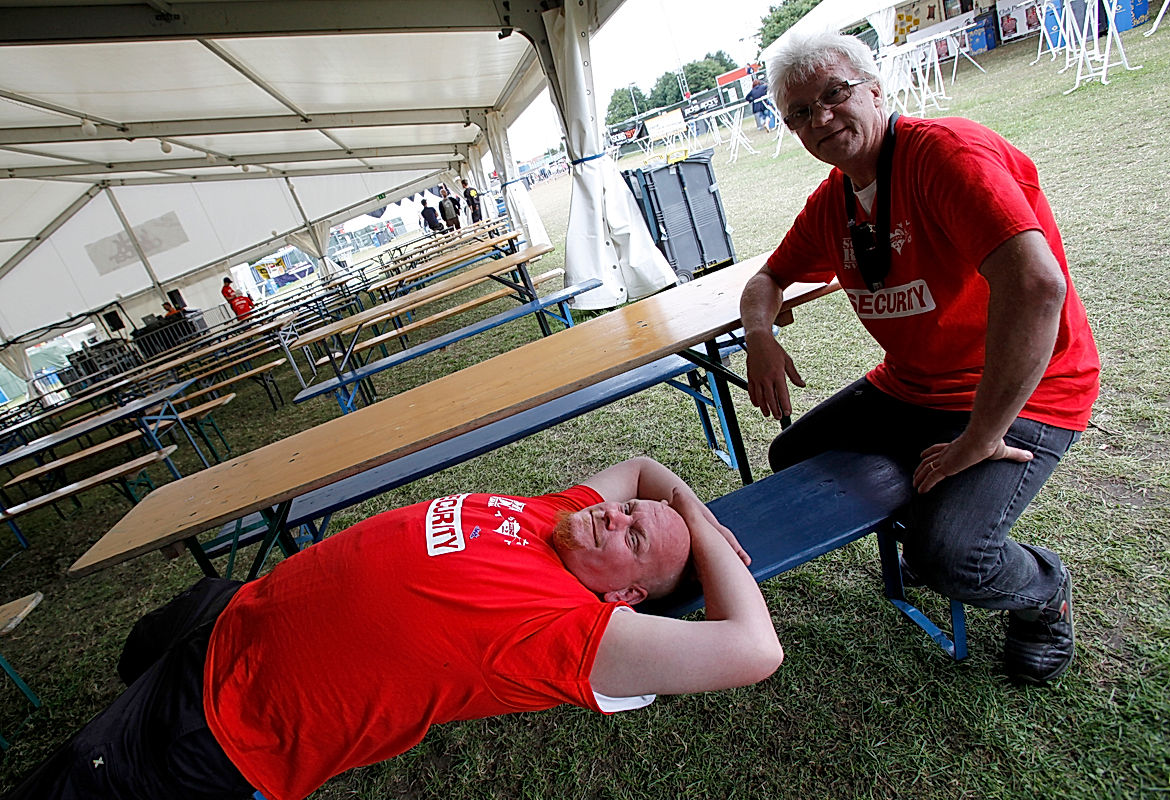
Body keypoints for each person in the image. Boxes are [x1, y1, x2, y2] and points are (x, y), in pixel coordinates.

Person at [3, 457, 781, 800]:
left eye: (632, 537)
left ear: (629, 597)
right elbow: (644, 464)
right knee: (139, 650)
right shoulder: (557, 517)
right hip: (224, 619)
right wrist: (685, 508)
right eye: (624, 510)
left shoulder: (569, 633)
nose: (612, 513)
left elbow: (754, 649)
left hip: (216, 729)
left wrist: (703, 539)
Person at [740, 31, 1100, 686]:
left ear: (877, 91)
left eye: (834, 94)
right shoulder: (837, 200)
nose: (819, 118)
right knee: (794, 458)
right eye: (798, 112)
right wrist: (759, 333)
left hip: (1030, 392)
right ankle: (928, 516)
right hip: (914, 388)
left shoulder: (945, 155)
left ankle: (1044, 592)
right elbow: (767, 280)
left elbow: (1038, 286)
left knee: (952, 558)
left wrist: (979, 438)